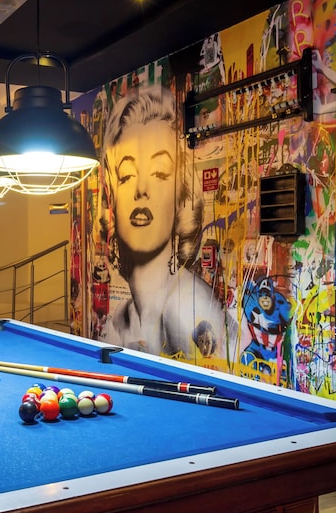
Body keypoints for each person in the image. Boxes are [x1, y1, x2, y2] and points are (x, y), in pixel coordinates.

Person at [99, 85, 237, 361]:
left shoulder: (190, 305)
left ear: (182, 197)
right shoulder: (123, 317)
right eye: (126, 175)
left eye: (160, 172)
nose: (141, 189)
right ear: (113, 198)